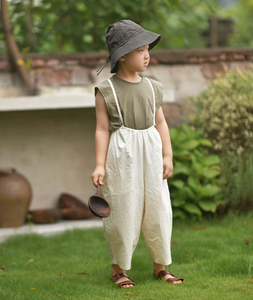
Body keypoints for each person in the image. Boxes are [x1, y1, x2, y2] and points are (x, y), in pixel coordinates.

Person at [91, 20, 184, 288]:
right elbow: (101, 129)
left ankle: (161, 265)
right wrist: (99, 165)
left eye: (147, 49)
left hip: (152, 154)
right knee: (123, 209)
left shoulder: (153, 87)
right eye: (140, 50)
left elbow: (161, 123)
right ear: (121, 56)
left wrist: (168, 156)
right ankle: (119, 269)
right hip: (122, 157)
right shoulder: (106, 91)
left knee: (158, 208)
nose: (147, 55)